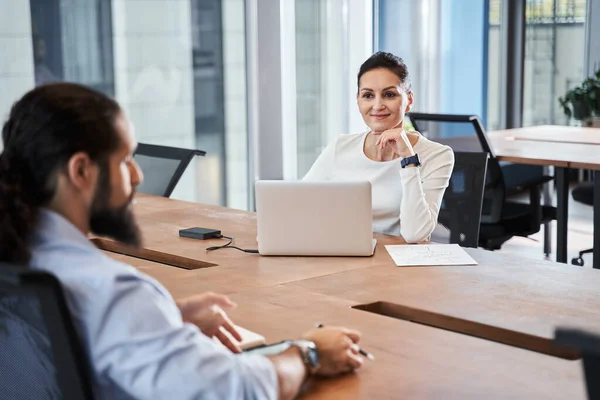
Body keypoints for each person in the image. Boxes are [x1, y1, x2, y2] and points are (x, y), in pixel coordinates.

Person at [0, 83, 364, 399]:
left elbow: (63, 333)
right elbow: (238, 391)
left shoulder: (20, 253)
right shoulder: (111, 291)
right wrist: (309, 352)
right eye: (125, 159)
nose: (138, 174)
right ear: (81, 170)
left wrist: (164, 317)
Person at [304, 52, 454, 243]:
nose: (377, 105)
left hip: (398, 265)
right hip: (345, 256)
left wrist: (409, 160)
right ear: (358, 101)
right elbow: (301, 202)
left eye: (389, 94)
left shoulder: (438, 155)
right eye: (368, 95)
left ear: (409, 100)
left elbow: (415, 234)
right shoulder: (340, 147)